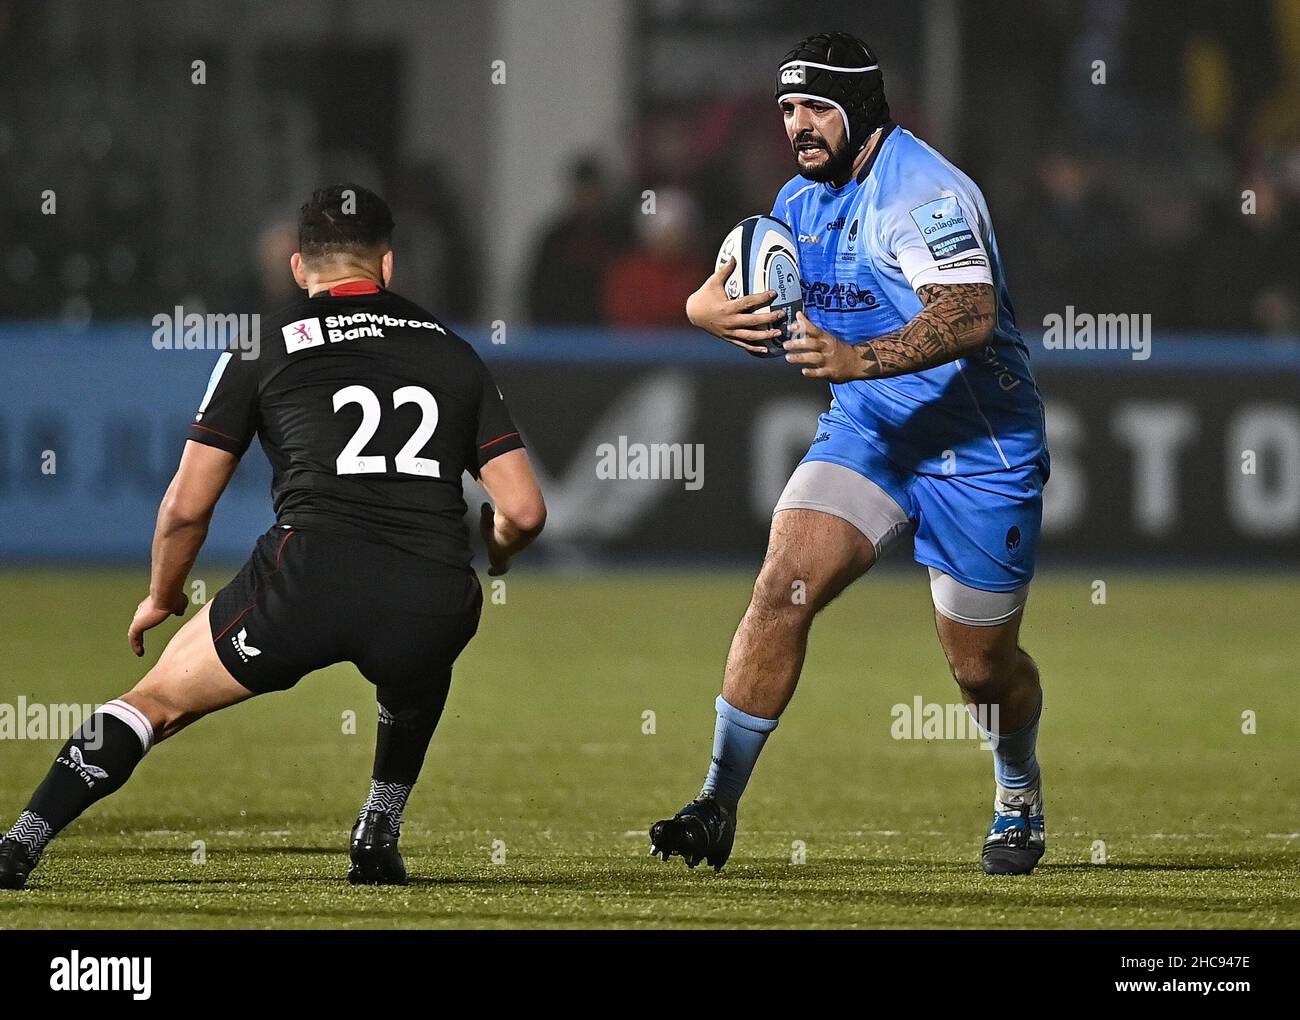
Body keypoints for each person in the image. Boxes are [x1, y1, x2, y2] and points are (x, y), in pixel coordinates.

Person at [0, 184, 545, 889]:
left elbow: (187, 507)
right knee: (421, 655)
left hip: (308, 579)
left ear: (296, 268)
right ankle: (379, 827)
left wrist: (163, 594)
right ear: (387, 266)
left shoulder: (266, 344)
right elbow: (525, 511)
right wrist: (497, 551)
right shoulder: (453, 353)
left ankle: (20, 843)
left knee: (155, 702)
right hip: (430, 589)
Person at [649, 32, 1051, 876]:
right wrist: (702, 310)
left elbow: (969, 314)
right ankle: (716, 801)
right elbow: (725, 281)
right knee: (780, 586)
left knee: (980, 674)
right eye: (788, 107)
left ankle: (1016, 789)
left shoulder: (922, 192)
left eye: (816, 107)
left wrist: (856, 358)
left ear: (861, 110)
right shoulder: (800, 198)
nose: (797, 123)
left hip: (978, 445)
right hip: (869, 433)